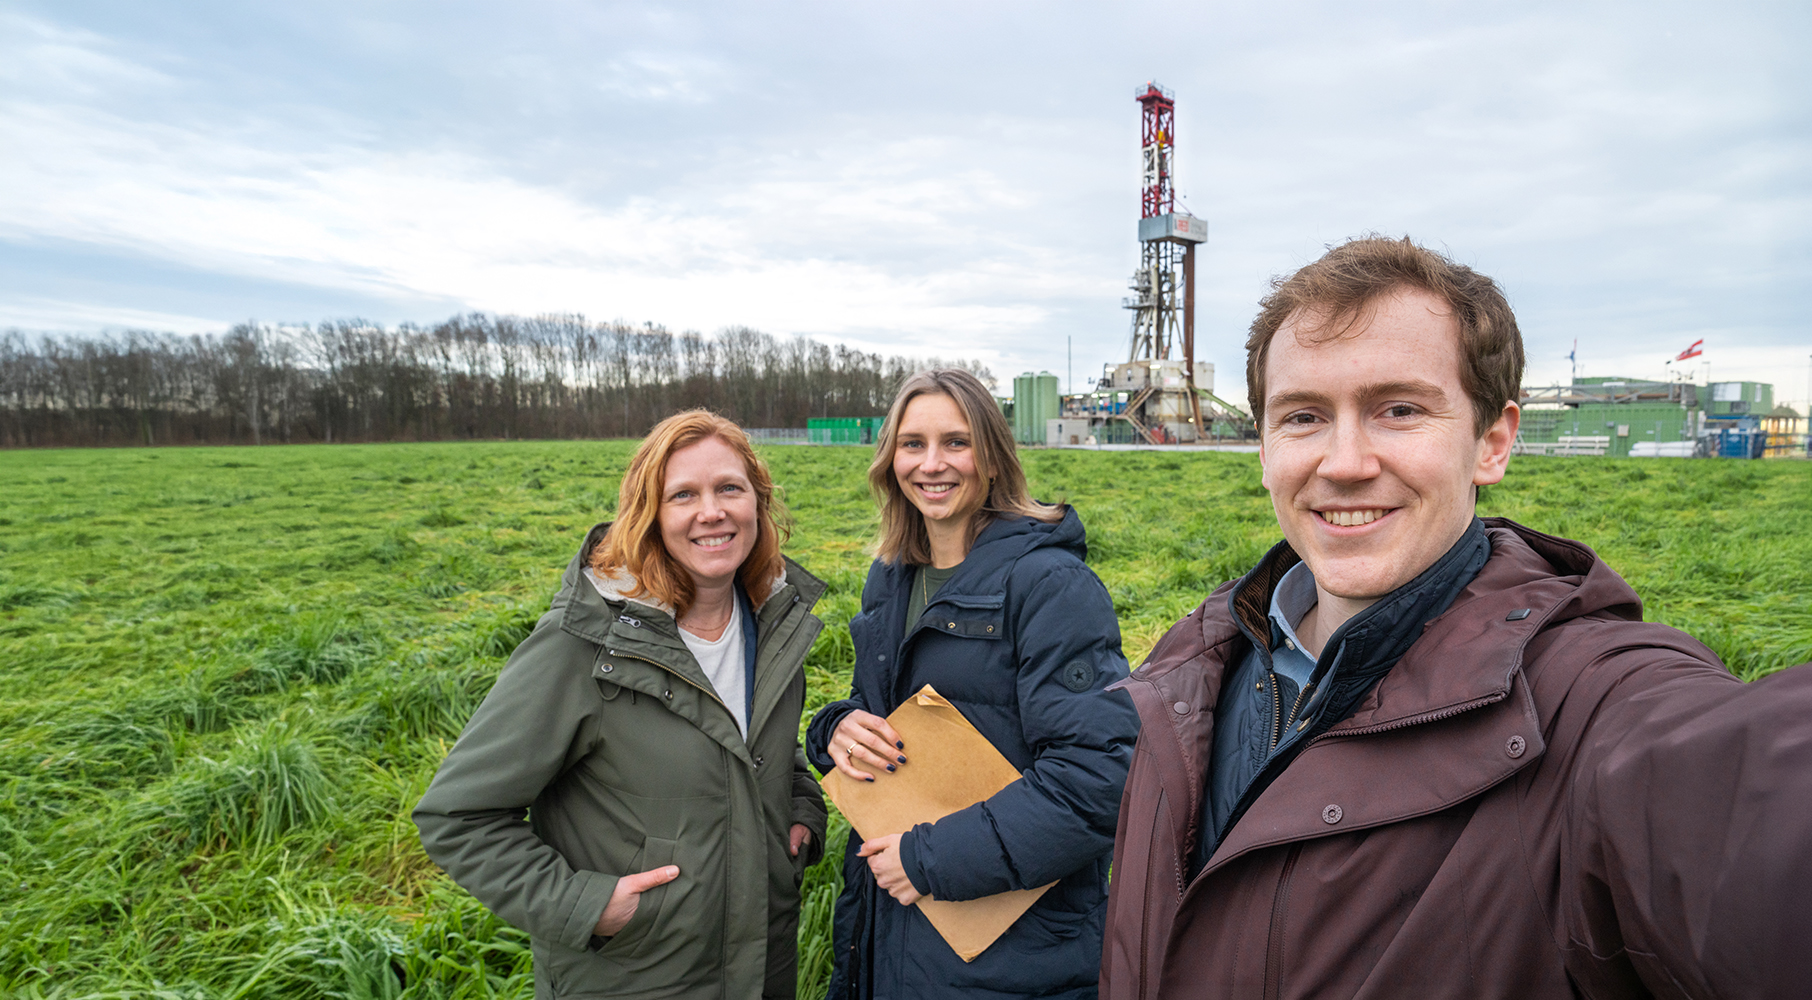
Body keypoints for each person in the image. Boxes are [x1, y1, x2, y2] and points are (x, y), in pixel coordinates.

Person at [1099, 236, 1812, 999]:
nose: (1343, 462)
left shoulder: (1583, 705)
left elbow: (1740, 800)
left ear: (1493, 442)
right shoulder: (1190, 675)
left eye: (1398, 410)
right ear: (1265, 449)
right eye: (1304, 416)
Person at [414, 410, 829, 1000]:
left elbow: (765, 749)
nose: (712, 512)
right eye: (683, 494)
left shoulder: (772, 623)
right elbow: (457, 816)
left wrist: (802, 814)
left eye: (729, 489)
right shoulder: (582, 645)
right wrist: (584, 906)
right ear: (650, 515)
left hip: (763, 966)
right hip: (635, 976)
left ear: (758, 505)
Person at [805, 368, 1141, 1000]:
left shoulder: (1049, 586)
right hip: (889, 930)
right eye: (912, 444)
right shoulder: (891, 577)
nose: (932, 464)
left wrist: (928, 861)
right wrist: (836, 729)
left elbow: (1100, 779)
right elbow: (874, 709)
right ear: (889, 459)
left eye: (956, 442)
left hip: (1012, 955)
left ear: (991, 457)